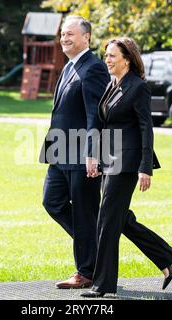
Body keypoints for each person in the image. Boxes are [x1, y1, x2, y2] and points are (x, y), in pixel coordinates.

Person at [81, 37, 172, 298]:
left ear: (127, 58)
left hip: (127, 164)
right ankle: (165, 257)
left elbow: (147, 129)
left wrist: (145, 168)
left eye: (112, 55)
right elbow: (106, 125)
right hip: (109, 161)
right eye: (106, 55)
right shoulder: (112, 84)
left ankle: (102, 286)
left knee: (106, 220)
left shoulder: (137, 87)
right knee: (120, 218)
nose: (108, 60)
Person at [39, 16, 110, 289]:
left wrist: (93, 153)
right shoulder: (70, 66)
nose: (64, 38)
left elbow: (96, 115)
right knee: (52, 202)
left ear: (86, 38)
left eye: (70, 34)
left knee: (83, 213)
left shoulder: (93, 68)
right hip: (60, 152)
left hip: (83, 155)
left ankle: (86, 271)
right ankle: (92, 244)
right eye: (62, 34)